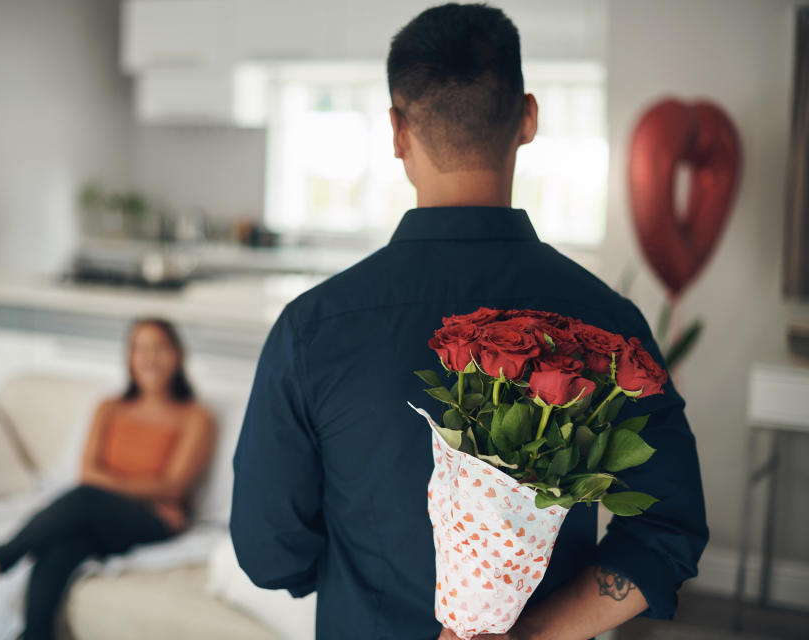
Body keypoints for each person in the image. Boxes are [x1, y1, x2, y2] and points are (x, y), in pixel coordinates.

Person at [229, 3, 708, 640]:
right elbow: (668, 526)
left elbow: (269, 552)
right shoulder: (607, 323)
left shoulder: (311, 328)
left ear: (397, 131)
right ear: (528, 118)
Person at [0, 317, 217, 640]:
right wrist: (120, 489)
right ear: (128, 357)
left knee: (84, 497)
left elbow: (172, 486)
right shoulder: (110, 407)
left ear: (179, 355)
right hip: (101, 515)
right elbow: (88, 472)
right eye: (140, 348)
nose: (150, 358)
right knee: (63, 546)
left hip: (158, 519)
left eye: (160, 348)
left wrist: (106, 487)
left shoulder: (196, 417)